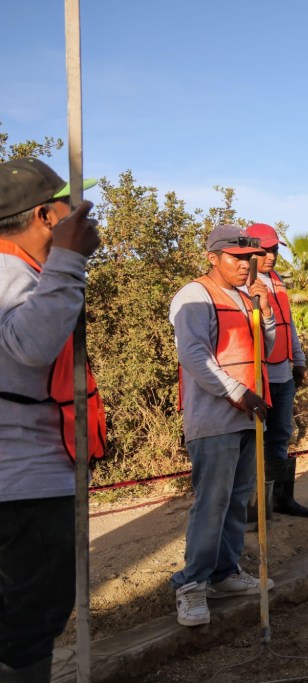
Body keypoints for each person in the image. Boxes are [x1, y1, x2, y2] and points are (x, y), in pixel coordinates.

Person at [0, 158, 103, 679]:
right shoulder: (9, 272)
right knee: (27, 627)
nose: (80, 213)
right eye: (68, 206)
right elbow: (34, 345)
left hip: (25, 481)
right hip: (24, 487)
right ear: (45, 214)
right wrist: (68, 259)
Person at [169, 224, 277, 627]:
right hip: (215, 417)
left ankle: (225, 573)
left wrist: (263, 313)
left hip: (249, 415)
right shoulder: (194, 296)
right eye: (235, 258)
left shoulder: (246, 296)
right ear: (213, 257)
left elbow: (260, 349)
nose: (245, 266)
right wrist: (238, 392)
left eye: (249, 258)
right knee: (211, 502)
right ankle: (191, 584)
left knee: (237, 500)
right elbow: (195, 356)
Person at [244, 223, 308, 517]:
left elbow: (289, 324)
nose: (271, 255)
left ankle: (280, 499)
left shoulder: (277, 280)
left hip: (283, 373)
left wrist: (298, 360)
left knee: (280, 436)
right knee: (254, 440)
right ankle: (254, 506)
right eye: (264, 250)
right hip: (256, 374)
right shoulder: (244, 283)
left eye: (274, 249)